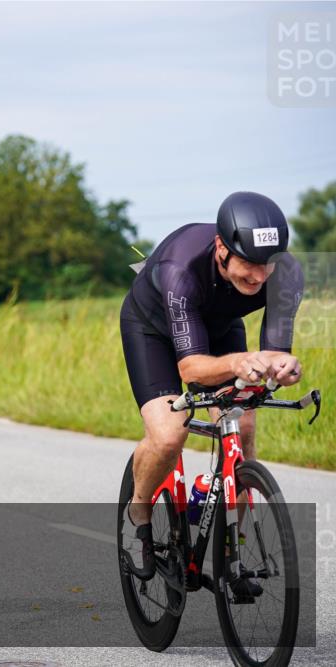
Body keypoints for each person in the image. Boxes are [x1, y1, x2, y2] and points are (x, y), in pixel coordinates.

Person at [120, 191, 304, 584]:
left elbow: (274, 352)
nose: (259, 276)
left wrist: (282, 367)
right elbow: (191, 368)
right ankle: (137, 515)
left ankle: (229, 543)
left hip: (218, 329)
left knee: (245, 422)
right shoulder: (181, 269)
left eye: (267, 265)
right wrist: (239, 361)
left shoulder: (285, 274)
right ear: (221, 247)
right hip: (151, 330)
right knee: (170, 435)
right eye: (249, 265)